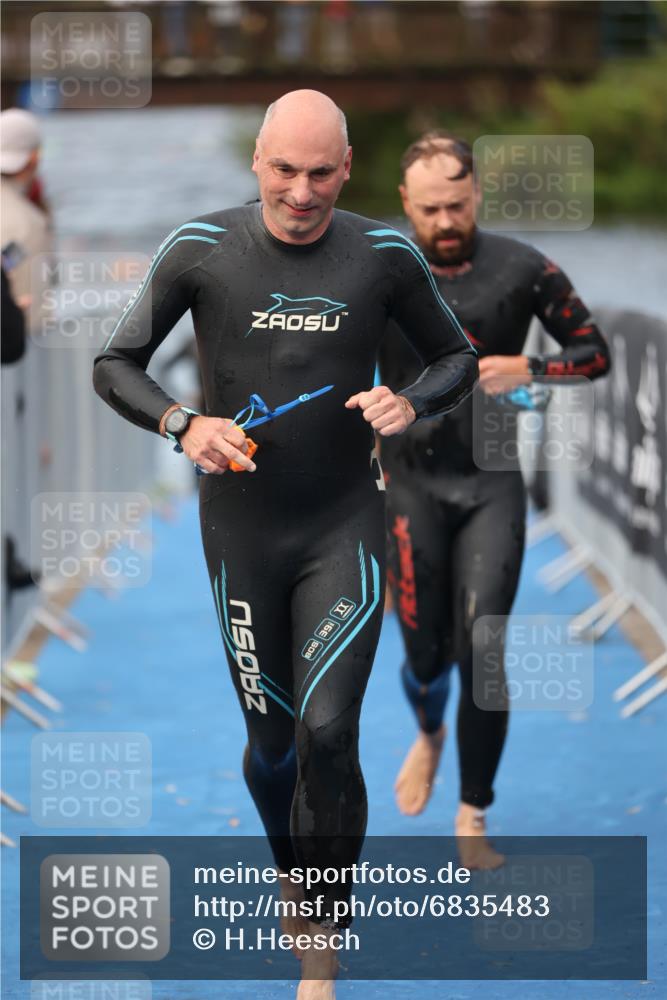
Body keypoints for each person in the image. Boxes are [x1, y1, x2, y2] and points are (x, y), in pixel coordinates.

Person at [93, 92, 477, 999]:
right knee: (272, 746)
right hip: (243, 533)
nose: (300, 193)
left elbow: (453, 356)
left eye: (319, 173)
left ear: (346, 168)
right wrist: (182, 424)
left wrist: (411, 400)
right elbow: (115, 364)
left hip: (345, 522)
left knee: (330, 733)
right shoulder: (200, 248)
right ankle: (290, 873)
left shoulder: (382, 253)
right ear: (256, 162)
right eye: (283, 170)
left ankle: (321, 935)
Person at [378, 131, 611, 868]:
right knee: (424, 654)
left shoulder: (522, 267)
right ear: (404, 205)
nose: (445, 222)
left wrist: (530, 365)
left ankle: (472, 811)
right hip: (407, 482)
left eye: (456, 205)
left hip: (490, 481)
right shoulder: (376, 264)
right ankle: (428, 730)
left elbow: (594, 354)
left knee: (482, 647)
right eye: (429, 209)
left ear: (475, 194)